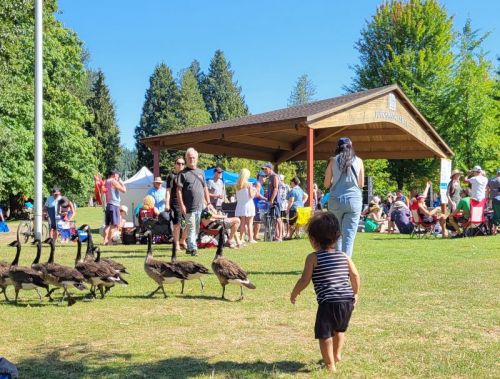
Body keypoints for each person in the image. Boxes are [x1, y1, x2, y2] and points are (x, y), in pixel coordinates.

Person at [290, 212, 360, 373]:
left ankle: (330, 365)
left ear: (313, 239)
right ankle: (336, 355)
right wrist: (355, 293)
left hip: (328, 302)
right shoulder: (343, 256)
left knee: (325, 335)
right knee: (339, 330)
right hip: (346, 300)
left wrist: (294, 293)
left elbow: (304, 280)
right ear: (337, 236)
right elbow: (355, 275)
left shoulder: (313, 258)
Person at [324, 137, 364, 257]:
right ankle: (346, 266)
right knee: (349, 237)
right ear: (351, 147)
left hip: (336, 199)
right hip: (354, 200)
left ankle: (336, 264)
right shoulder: (359, 161)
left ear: (338, 147)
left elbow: (326, 184)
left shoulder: (332, 160)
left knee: (336, 234)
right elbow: (361, 184)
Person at [176, 148, 211, 256]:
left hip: (200, 206)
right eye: (189, 157)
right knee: (191, 227)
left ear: (197, 159)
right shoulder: (182, 174)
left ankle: (189, 246)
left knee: (196, 228)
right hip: (188, 207)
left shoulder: (201, 172)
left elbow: (205, 188)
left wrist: (208, 202)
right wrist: (181, 205)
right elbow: (178, 190)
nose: (192, 159)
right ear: (186, 158)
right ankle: (193, 248)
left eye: (193, 157)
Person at [166, 157, 187, 250]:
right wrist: (167, 203)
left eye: (182, 164)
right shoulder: (171, 176)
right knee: (177, 223)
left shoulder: (186, 175)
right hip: (175, 202)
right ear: (175, 164)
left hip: (186, 202)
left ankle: (183, 240)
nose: (180, 165)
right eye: (178, 163)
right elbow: (168, 191)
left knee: (187, 223)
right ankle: (176, 243)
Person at [103, 170, 127, 245]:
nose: (118, 177)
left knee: (107, 225)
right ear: (113, 175)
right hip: (114, 205)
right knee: (114, 225)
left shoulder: (106, 181)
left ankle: (105, 240)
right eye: (117, 175)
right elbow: (124, 190)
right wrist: (122, 183)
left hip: (108, 204)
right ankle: (109, 241)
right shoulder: (113, 181)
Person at [262, 162, 283, 241]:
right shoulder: (269, 177)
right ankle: (276, 236)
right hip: (271, 201)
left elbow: (276, 188)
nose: (264, 170)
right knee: (273, 219)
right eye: (264, 169)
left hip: (276, 201)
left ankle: (280, 236)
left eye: (265, 169)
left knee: (278, 218)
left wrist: (271, 200)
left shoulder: (274, 176)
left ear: (270, 168)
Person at [235, 168, 256, 244]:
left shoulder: (237, 184)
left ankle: (241, 238)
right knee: (250, 223)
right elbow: (251, 196)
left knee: (242, 223)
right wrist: (255, 191)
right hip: (248, 204)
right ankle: (251, 238)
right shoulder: (249, 184)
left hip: (240, 205)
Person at [488, 169, 500, 233]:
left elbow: (488, 190)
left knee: (495, 213)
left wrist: (488, 197)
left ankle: (494, 230)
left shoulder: (491, 180)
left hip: (494, 199)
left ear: (497, 173)